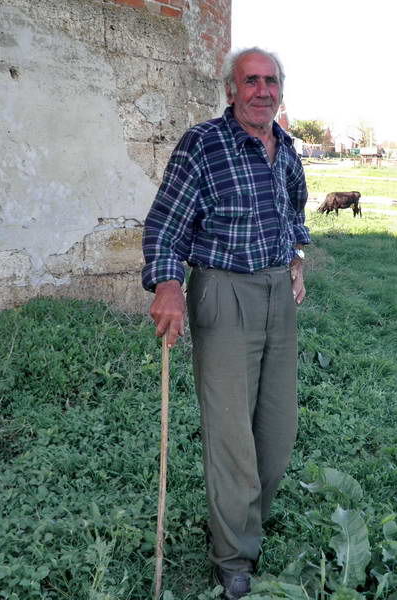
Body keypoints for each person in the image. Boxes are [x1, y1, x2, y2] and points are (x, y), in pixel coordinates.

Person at [141, 46, 310, 599]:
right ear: (231, 90)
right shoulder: (203, 144)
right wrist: (168, 283)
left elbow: (294, 208)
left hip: (276, 293)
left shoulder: (285, 146)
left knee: (276, 427)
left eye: (271, 81)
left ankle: (247, 517)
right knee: (231, 433)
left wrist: (296, 259)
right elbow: (165, 223)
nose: (263, 90)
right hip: (223, 290)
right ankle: (234, 554)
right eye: (251, 81)